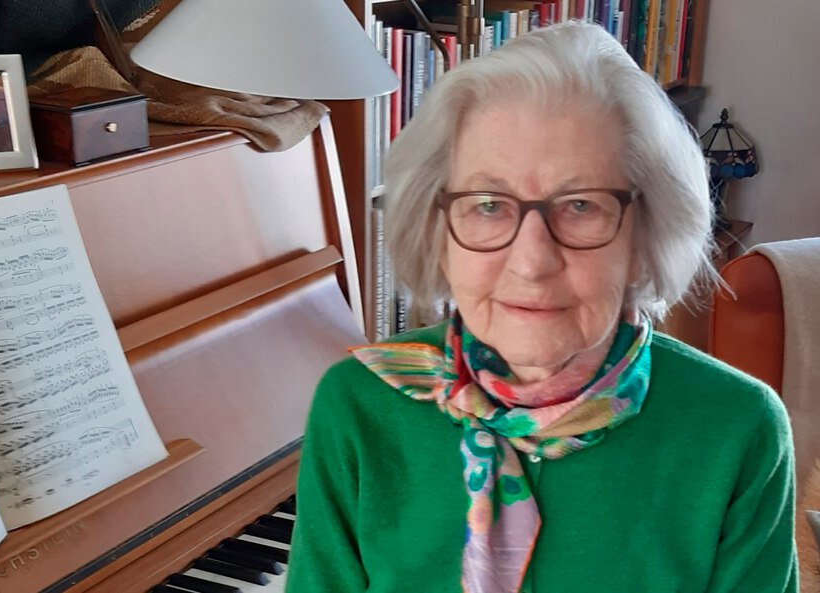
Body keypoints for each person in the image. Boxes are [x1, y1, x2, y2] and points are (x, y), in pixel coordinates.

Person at [287, 22, 797, 593]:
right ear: (437, 230)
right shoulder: (359, 405)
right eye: (488, 205)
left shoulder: (736, 428)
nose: (531, 262)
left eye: (580, 206)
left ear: (645, 235)